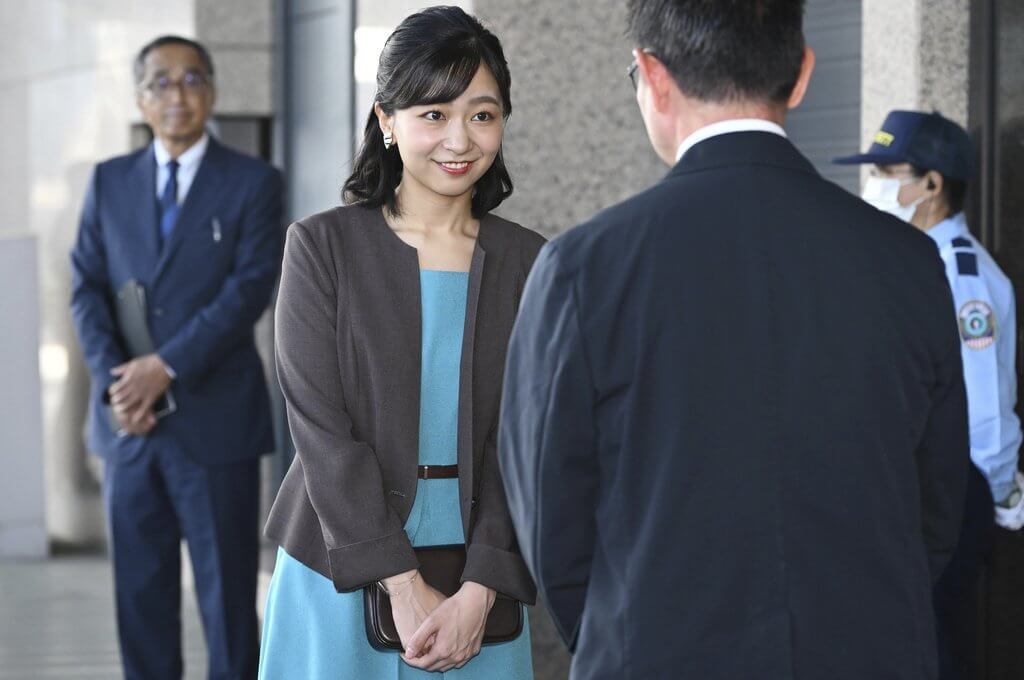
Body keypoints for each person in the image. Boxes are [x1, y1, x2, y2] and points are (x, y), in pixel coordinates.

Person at [498, 2, 970, 679]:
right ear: (803, 72)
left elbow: (550, 521)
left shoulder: (584, 268)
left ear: (651, 75)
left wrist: (628, 626)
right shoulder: (909, 261)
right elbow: (936, 504)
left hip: (656, 653)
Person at [258, 7, 543, 679]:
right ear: (386, 121)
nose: (460, 139)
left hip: (481, 581)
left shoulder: (531, 261)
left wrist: (483, 587)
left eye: (482, 114)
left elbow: (531, 437)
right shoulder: (323, 247)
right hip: (339, 562)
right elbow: (320, 428)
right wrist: (400, 581)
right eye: (433, 114)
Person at [69, 35, 284, 680]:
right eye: (160, 81)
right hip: (129, 427)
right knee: (140, 596)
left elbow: (249, 287)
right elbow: (85, 286)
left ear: (212, 92)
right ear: (139, 98)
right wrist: (119, 385)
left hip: (214, 425)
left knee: (226, 603)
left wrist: (165, 365)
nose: (177, 94)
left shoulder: (253, 182)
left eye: (192, 79)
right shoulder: (109, 182)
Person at [835, 109, 1024, 679]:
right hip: (918, 486)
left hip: (954, 488)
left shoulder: (960, 274)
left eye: (889, 171)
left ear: (933, 184)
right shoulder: (914, 261)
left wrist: (989, 496)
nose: (877, 186)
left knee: (937, 646)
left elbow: (986, 404)